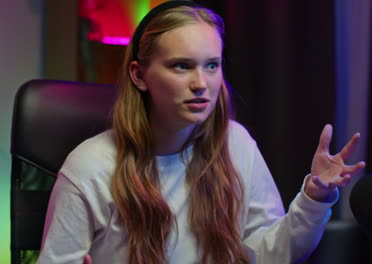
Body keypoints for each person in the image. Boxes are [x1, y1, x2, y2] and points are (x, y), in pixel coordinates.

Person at [37, 1, 365, 263]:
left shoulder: (236, 144)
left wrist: (315, 197)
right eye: (182, 66)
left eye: (211, 65)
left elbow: (268, 254)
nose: (201, 84)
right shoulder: (89, 167)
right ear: (139, 75)